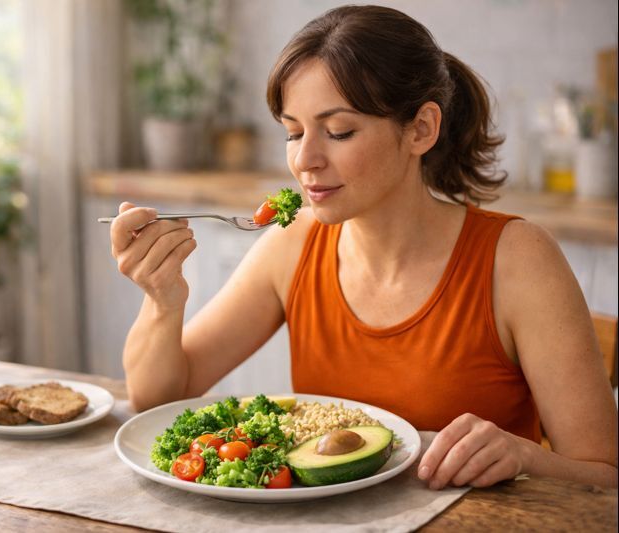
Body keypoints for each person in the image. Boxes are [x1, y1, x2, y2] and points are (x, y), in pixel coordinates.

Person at [109, 5, 618, 489]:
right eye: (293, 133)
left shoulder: (518, 259)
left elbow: (607, 476)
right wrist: (163, 300)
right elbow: (157, 398)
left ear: (421, 129)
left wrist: (525, 457)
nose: (305, 160)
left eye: (338, 131)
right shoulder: (293, 244)